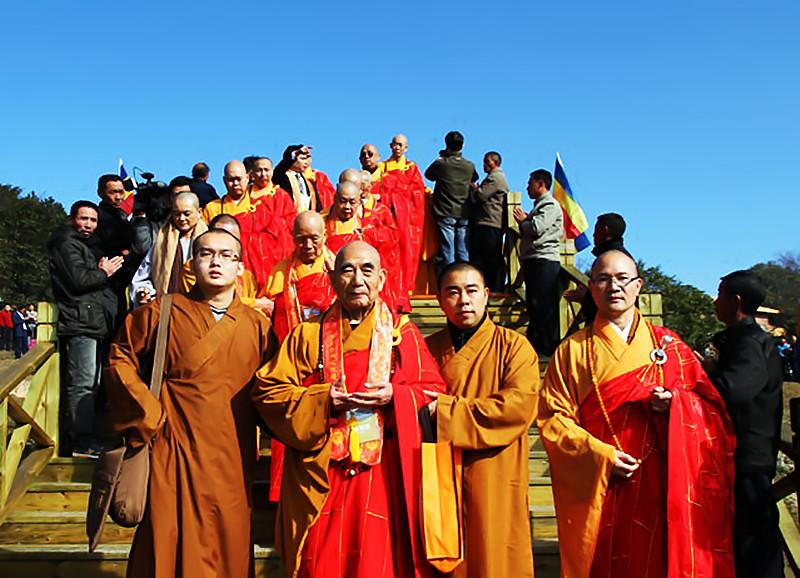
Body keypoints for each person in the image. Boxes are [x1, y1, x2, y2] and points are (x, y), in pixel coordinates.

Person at [252, 241, 446, 578]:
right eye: (347, 269)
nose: (358, 279)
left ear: (382, 279)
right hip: (322, 469)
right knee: (320, 560)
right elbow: (269, 392)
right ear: (332, 277)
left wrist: (396, 397)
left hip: (383, 473)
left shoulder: (404, 335)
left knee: (377, 562)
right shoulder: (306, 336)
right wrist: (322, 400)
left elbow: (433, 394)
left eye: (367, 270)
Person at [538, 250, 736, 578]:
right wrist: (600, 455)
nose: (613, 286)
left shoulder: (670, 346)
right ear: (591, 287)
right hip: (602, 480)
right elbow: (552, 420)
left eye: (622, 278)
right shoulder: (571, 351)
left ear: (638, 285)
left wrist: (677, 404)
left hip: (664, 480)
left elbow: (714, 412)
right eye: (602, 279)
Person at [105, 228, 275, 578]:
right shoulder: (159, 313)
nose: (216, 262)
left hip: (232, 452)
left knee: (228, 538)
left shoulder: (258, 326)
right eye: (206, 254)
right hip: (173, 447)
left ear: (240, 268)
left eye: (226, 255)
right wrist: (148, 413)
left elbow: (274, 388)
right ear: (190, 264)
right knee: (167, 535)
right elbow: (120, 359)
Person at [425, 262, 538, 578]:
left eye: (472, 291)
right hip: (440, 473)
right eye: (453, 292)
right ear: (439, 300)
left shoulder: (514, 347)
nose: (464, 300)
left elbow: (516, 407)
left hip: (494, 470)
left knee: (494, 558)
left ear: (486, 295)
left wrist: (446, 412)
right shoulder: (425, 349)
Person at [699, 270, 783, 578]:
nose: (715, 301)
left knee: (755, 543)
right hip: (736, 457)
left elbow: (736, 388)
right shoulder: (739, 338)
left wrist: (703, 377)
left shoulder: (751, 342)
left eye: (719, 295)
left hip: (749, 458)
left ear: (735, 302)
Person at [48, 200, 124, 456]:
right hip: (80, 321)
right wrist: (104, 271)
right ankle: (81, 441)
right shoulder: (66, 243)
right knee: (82, 383)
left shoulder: (81, 245)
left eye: (93, 220)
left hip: (90, 321)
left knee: (92, 381)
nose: (88, 225)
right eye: (83, 219)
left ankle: (84, 438)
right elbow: (80, 280)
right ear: (72, 219)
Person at [324, 181, 400, 312]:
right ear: (335, 199)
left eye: (352, 202)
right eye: (343, 201)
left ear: (359, 202)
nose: (347, 207)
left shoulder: (369, 228)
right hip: (330, 290)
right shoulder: (321, 225)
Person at [373, 134, 428, 310]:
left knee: (408, 254)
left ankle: (407, 289)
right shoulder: (382, 168)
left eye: (400, 145)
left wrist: (401, 193)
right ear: (390, 146)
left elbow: (418, 192)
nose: (397, 148)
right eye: (395, 145)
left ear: (406, 148)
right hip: (388, 219)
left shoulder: (411, 168)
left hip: (408, 220)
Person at [263, 211, 335, 343]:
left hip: (328, 343)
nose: (308, 246)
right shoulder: (281, 271)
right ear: (293, 237)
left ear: (325, 236)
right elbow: (267, 309)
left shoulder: (336, 269)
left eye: (314, 239)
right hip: (291, 345)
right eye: (301, 239)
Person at [513, 169, 564, 356]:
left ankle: (547, 346)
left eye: (530, 183)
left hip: (544, 259)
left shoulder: (549, 204)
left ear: (541, 184)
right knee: (535, 302)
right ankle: (538, 342)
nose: (527, 187)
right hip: (535, 259)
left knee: (543, 304)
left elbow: (536, 227)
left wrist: (523, 222)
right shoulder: (540, 206)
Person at [131, 192, 207, 306]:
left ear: (199, 212)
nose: (181, 219)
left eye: (186, 214)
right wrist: (144, 291)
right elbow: (143, 275)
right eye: (177, 214)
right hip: (166, 306)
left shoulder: (208, 241)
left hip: (200, 305)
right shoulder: (162, 242)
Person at [94, 174, 138, 332]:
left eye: (121, 192)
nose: (118, 197)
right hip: (106, 287)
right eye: (113, 192)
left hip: (122, 287)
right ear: (101, 193)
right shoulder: (97, 219)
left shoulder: (123, 218)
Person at [246, 156, 298, 287]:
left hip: (278, 252)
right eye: (259, 170)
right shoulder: (244, 197)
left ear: (272, 172)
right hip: (251, 254)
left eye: (266, 170)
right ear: (252, 174)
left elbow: (292, 224)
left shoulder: (281, 195)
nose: (263, 174)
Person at [468, 151, 509, 292]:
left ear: (495, 163)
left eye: (487, 161)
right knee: (487, 256)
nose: (484, 165)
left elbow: (481, 195)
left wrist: (475, 189)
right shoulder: (494, 177)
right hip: (489, 221)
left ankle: (494, 286)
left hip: (490, 221)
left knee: (490, 256)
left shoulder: (495, 178)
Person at [273, 145, 336, 212]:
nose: (306, 162)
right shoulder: (282, 176)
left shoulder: (309, 179)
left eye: (308, 158)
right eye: (302, 159)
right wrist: (295, 153)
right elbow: (280, 169)